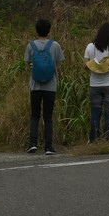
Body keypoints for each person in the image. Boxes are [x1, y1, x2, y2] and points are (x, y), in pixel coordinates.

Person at [25, 18, 65, 154]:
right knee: (48, 116)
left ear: (36, 31)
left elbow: (28, 65)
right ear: (49, 31)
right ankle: (48, 146)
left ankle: (33, 143)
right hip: (50, 86)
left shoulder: (30, 46)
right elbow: (58, 66)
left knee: (35, 115)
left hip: (35, 86)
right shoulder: (55, 45)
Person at [84, 21, 109, 142]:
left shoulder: (90, 47)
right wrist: (108, 65)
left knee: (95, 111)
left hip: (95, 85)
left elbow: (85, 66)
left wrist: (96, 65)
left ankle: (93, 139)